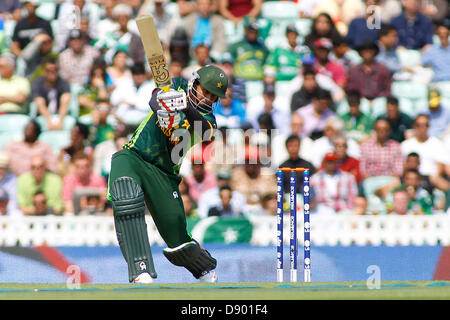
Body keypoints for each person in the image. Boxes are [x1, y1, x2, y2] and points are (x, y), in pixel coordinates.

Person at [107, 64, 228, 284]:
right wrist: (164, 105)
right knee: (126, 195)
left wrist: (183, 107)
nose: (208, 98)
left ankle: (204, 268)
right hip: (134, 156)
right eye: (206, 91)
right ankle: (140, 270)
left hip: (164, 174)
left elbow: (204, 130)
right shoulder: (177, 86)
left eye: (213, 96)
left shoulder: (209, 121)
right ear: (195, 83)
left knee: (178, 241)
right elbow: (154, 100)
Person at [401, 114, 450, 193]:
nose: (422, 128)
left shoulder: (436, 143)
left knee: (441, 182)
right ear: (414, 126)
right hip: (411, 177)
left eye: (425, 125)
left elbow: (441, 165)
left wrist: (435, 175)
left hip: (431, 177)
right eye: (419, 125)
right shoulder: (405, 145)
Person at [31, 58, 72, 131]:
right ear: (44, 71)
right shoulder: (37, 83)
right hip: (43, 116)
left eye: (55, 70)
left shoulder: (63, 83)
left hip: (60, 116)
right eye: (49, 70)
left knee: (69, 123)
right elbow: (40, 103)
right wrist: (49, 121)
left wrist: (60, 121)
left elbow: (65, 102)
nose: (52, 73)